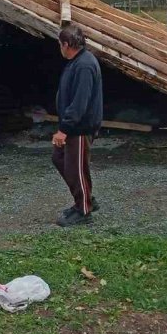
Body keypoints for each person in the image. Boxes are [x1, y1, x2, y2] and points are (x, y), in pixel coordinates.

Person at [51, 23, 103, 227]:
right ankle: (85, 197)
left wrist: (64, 130)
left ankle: (83, 211)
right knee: (59, 158)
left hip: (80, 127)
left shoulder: (84, 65)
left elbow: (80, 102)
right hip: (73, 125)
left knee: (76, 168)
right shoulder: (76, 61)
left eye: (60, 45)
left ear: (66, 44)